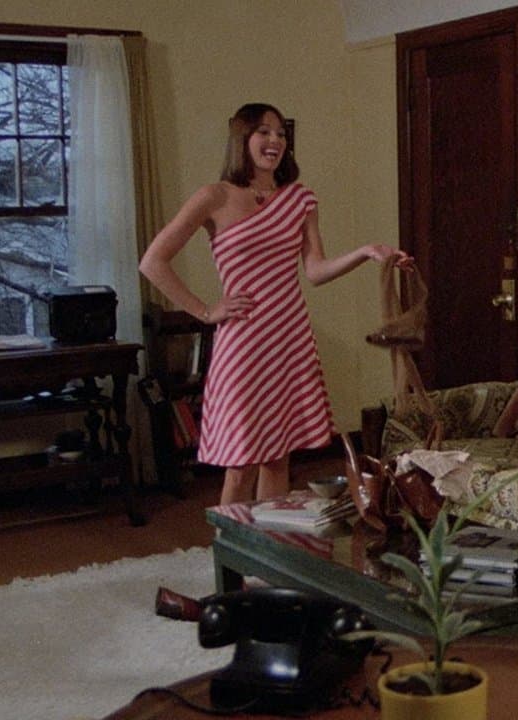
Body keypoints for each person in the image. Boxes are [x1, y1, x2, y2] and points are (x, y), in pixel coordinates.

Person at [139, 103, 410, 505]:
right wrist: (206, 311)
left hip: (289, 337)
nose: (275, 141)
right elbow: (153, 262)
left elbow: (315, 270)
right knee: (241, 463)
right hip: (243, 342)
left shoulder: (300, 199)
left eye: (281, 133)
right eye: (264, 132)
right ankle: (232, 543)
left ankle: (271, 540)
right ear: (242, 139)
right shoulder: (213, 196)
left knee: (278, 457)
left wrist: (366, 252)